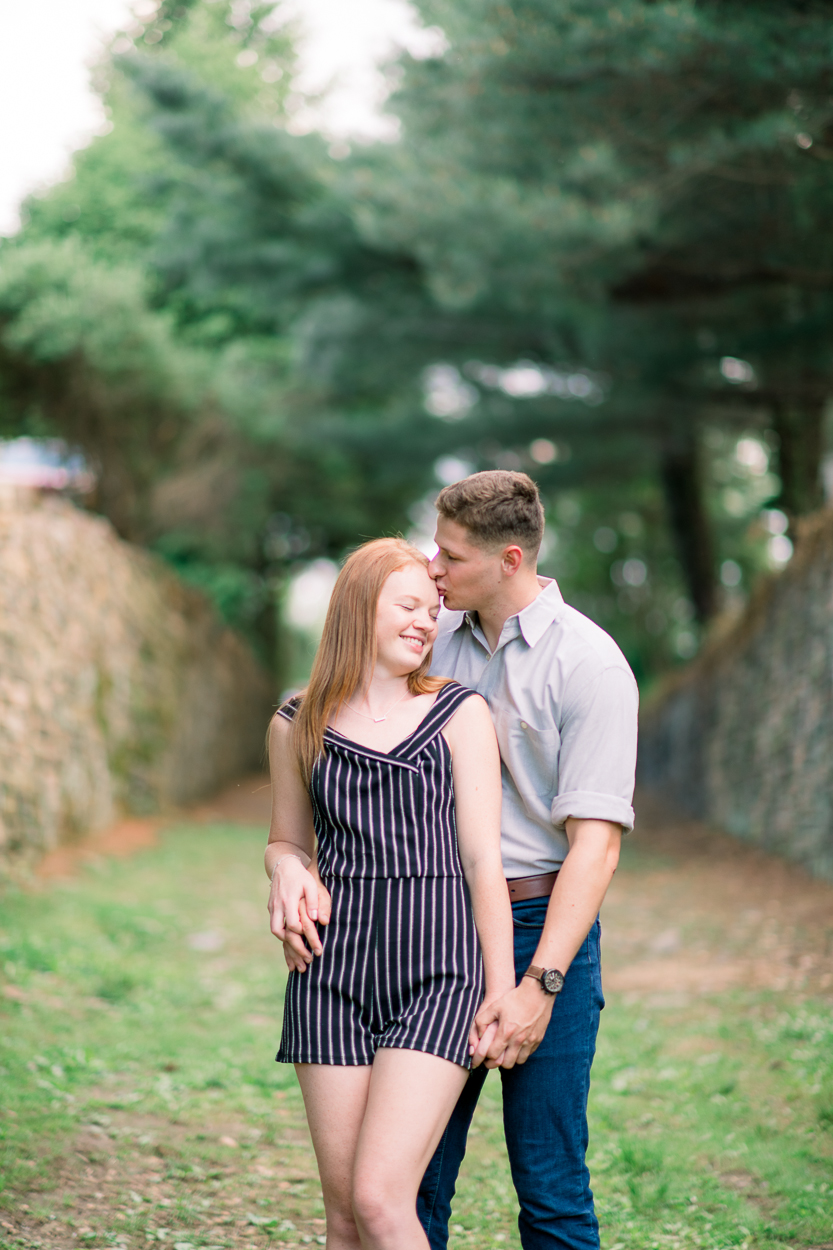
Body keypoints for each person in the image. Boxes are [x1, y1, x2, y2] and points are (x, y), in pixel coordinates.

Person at [265, 537, 515, 1250]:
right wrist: (284, 869)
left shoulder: (459, 714)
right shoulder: (295, 723)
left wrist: (498, 986)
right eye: (407, 605)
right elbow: (287, 841)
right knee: (342, 1215)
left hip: (437, 973)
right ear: (357, 609)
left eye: (432, 609)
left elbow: (480, 859)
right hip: (327, 973)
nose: (425, 621)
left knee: (380, 1201)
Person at [417, 470, 639, 1250]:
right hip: (437, 924)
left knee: (549, 1185)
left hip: (542, 927)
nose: (431, 569)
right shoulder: (430, 638)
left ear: (509, 559)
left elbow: (596, 846)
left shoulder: (589, 665)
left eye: (448, 556)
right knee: (410, 1178)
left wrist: (538, 985)